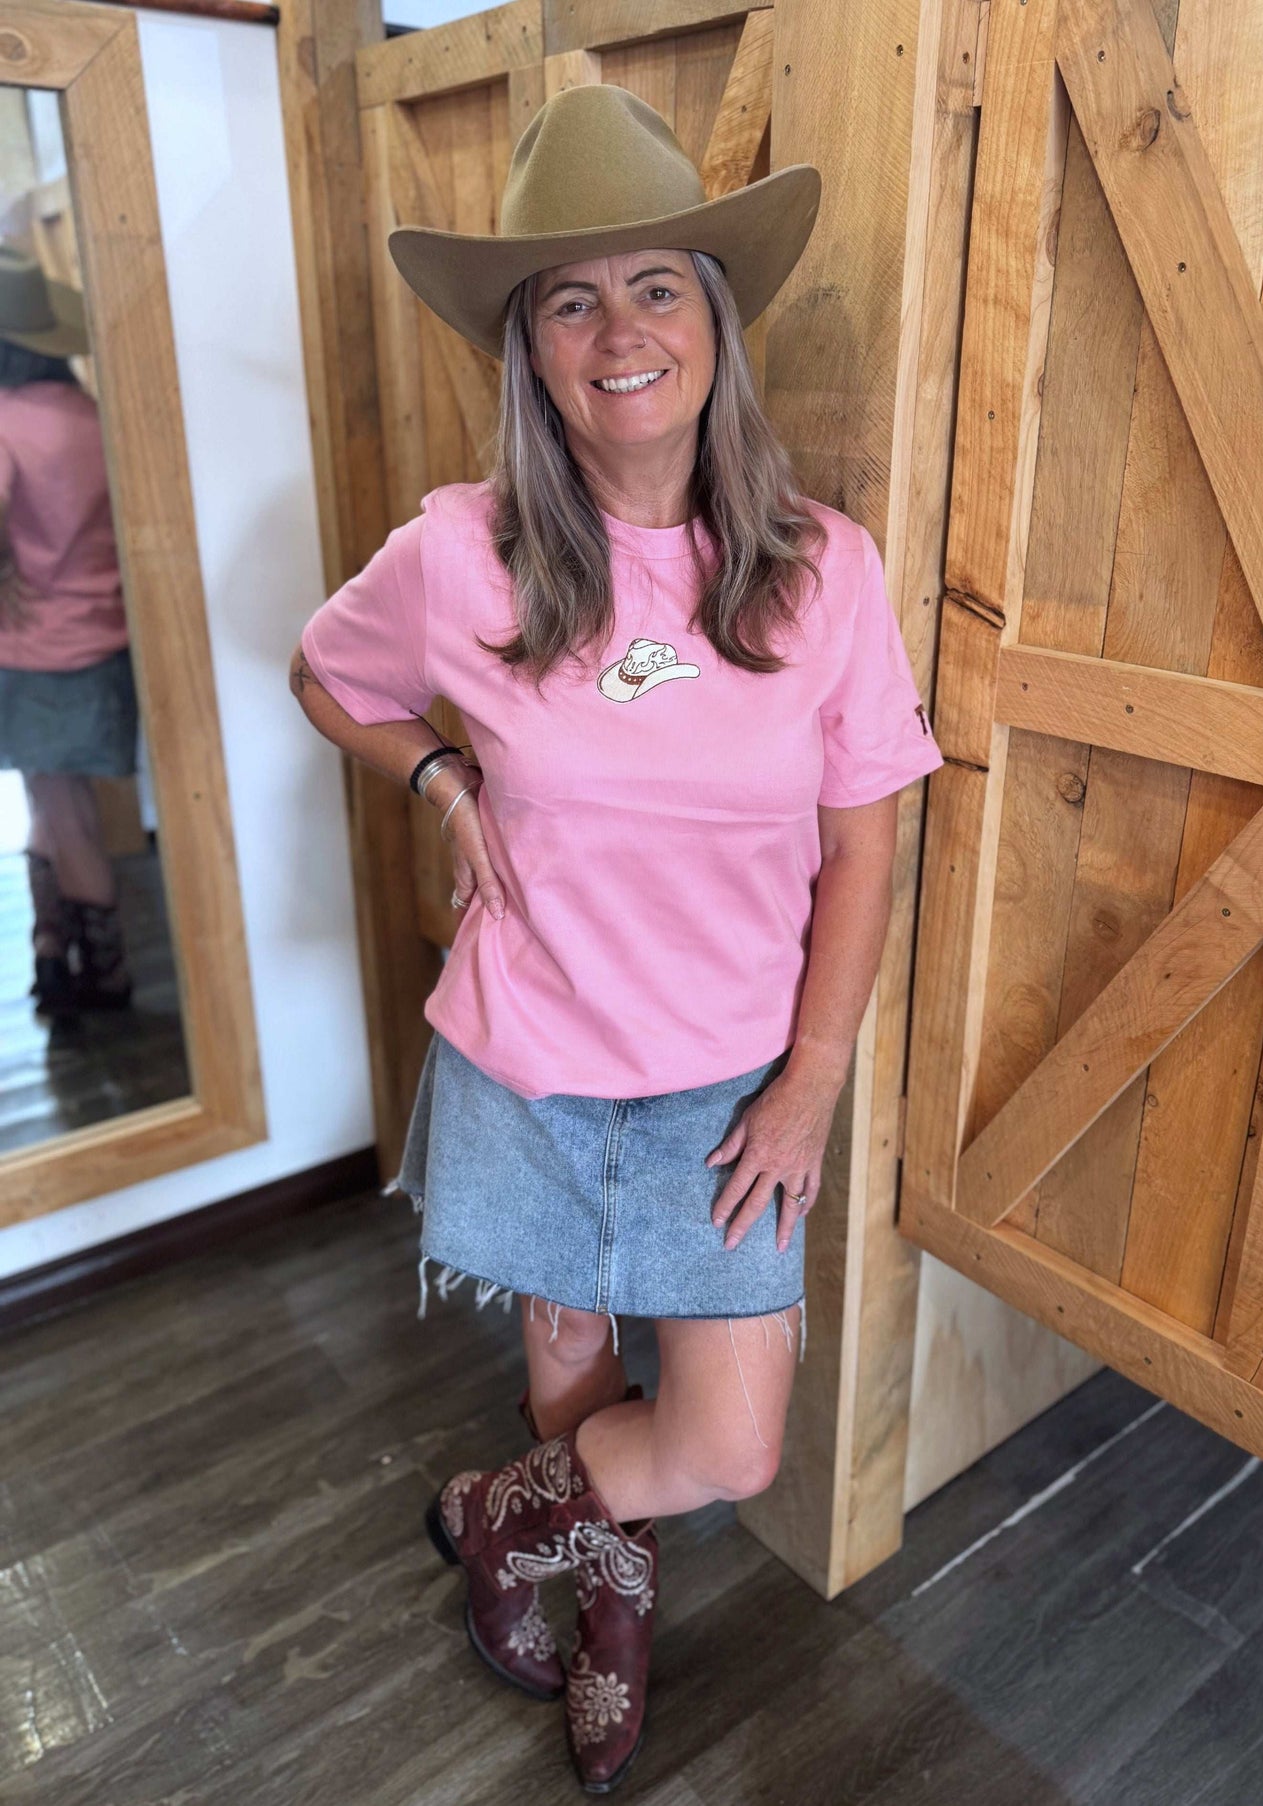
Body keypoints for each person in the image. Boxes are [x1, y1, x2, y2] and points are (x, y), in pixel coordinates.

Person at [290, 85, 943, 1794]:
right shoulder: (460, 552)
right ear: (530, 350)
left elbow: (869, 841)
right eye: (568, 299)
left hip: (731, 1089)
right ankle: (612, 1611)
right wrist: (438, 774)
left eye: (656, 285)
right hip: (527, 1056)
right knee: (569, 1364)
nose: (618, 329)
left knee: (723, 1440)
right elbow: (326, 678)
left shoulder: (822, 573)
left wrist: (808, 1089)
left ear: (713, 322)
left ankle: (505, 1518)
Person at [0, 243, 135, 1014]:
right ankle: (53, 950)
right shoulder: (87, 414)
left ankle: (100, 976)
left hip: (32, 649)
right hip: (98, 637)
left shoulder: (6, 422)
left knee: (61, 812)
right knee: (57, 803)